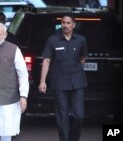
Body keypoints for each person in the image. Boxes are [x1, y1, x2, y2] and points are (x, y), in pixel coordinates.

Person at [38, 13, 87, 141]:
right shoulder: (52, 40)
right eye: (63, 23)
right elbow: (47, 61)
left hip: (77, 83)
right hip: (59, 83)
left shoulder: (81, 40)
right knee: (62, 117)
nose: (65, 25)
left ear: (74, 25)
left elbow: (83, 58)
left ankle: (73, 138)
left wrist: (73, 69)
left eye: (68, 23)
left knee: (79, 116)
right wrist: (42, 81)